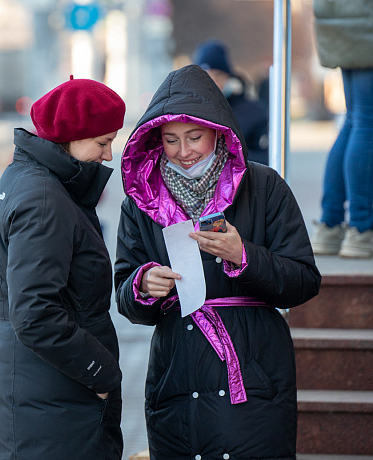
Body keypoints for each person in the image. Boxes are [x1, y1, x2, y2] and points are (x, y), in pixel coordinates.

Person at [114, 65, 321, 460]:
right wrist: (142, 286)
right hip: (177, 368)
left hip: (254, 364)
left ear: (218, 130)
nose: (184, 151)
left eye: (195, 136)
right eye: (171, 140)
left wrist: (243, 257)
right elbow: (124, 294)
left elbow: (304, 280)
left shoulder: (265, 186)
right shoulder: (140, 201)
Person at [0, 76, 125, 459]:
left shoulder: (33, 179)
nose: (109, 155)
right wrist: (102, 373)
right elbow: (34, 313)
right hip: (55, 397)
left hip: (44, 390)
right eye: (103, 142)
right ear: (71, 136)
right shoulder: (45, 198)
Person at [310, 0, 373, 258]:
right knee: (365, 122)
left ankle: (331, 225)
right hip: (364, 19)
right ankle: (361, 229)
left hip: (346, 20)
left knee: (356, 120)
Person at [193, 39, 270, 165]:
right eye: (205, 76)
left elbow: (266, 158)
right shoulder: (186, 112)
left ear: (229, 78)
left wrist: (226, 157)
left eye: (218, 76)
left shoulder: (255, 112)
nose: (212, 83)